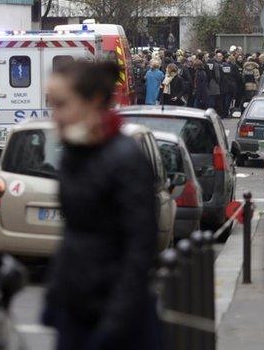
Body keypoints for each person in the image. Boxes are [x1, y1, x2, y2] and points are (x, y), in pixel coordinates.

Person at [43, 60, 160, 350]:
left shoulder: (125, 159)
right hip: (76, 310)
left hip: (114, 320)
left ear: (93, 101)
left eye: (60, 104)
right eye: (51, 105)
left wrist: (114, 324)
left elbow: (139, 249)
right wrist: (55, 296)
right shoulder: (74, 151)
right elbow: (74, 233)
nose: (53, 116)